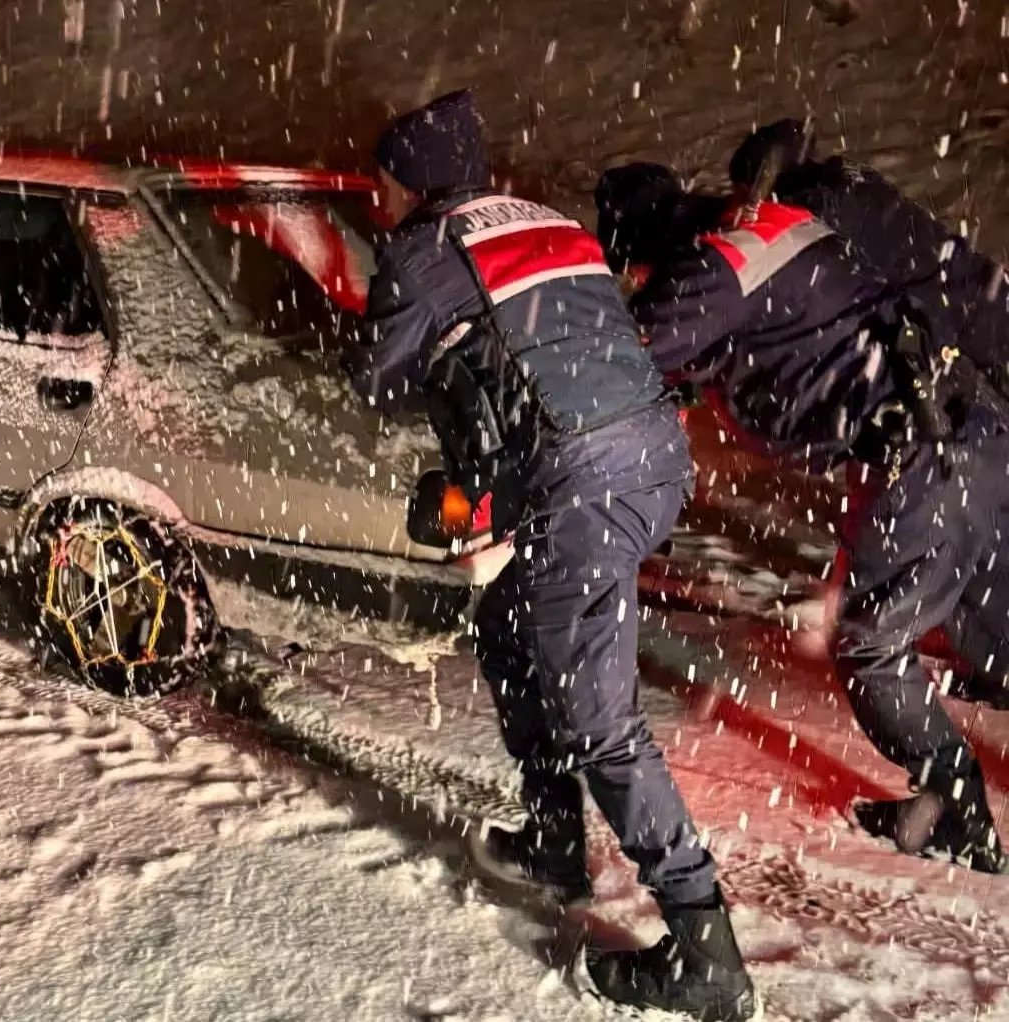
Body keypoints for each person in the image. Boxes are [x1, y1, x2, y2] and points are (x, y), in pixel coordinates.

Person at [348, 89, 757, 1022]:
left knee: (601, 721)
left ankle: (707, 955)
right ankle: (553, 839)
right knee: (508, 630)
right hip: (645, 455)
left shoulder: (423, 247)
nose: (376, 198)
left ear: (411, 180)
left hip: (580, 481)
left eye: (381, 183)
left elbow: (378, 376)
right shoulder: (543, 217)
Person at [598, 159, 1008, 878]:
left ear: (640, 251)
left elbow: (620, 370)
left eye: (631, 273)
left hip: (922, 452)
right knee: (988, 624)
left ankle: (958, 810)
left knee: (870, 642)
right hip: (975, 430)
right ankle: (945, 803)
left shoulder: (706, 270)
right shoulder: (762, 231)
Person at [727, 119, 1009, 714]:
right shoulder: (842, 188)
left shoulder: (816, 221)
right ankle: (997, 660)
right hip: (978, 330)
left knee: (964, 524)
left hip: (973, 351)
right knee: (973, 525)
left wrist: (840, 584)